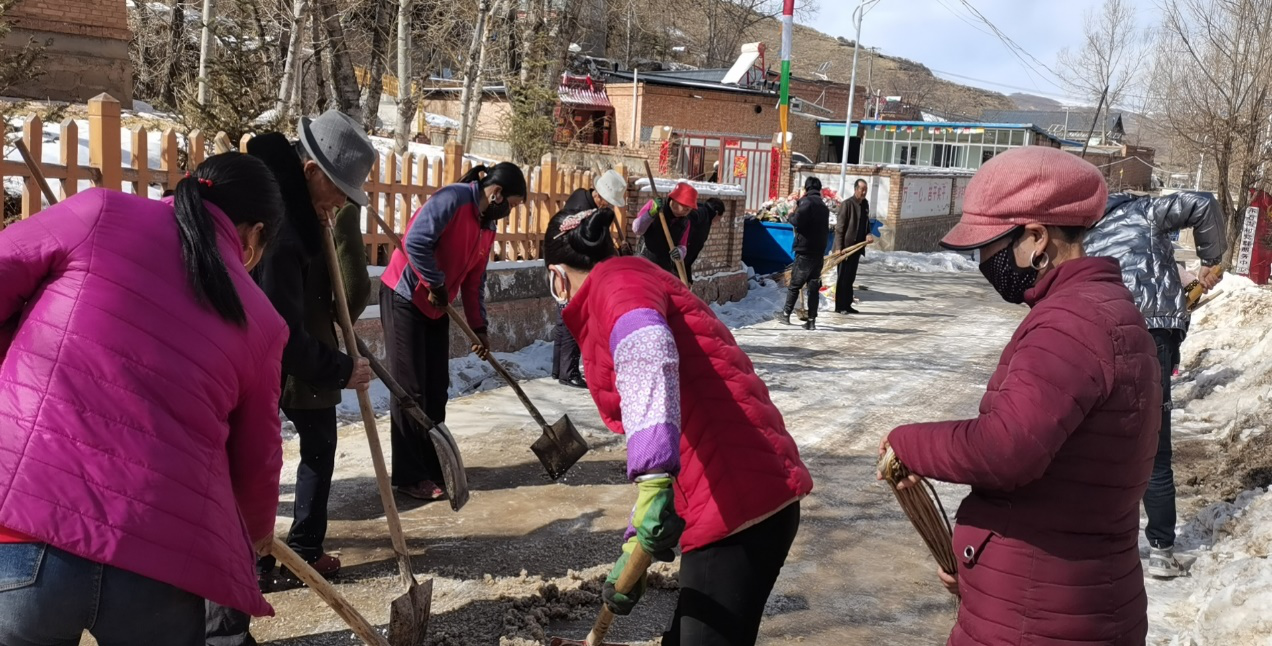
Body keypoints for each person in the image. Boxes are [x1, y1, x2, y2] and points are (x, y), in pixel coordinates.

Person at [0, 153, 288, 645]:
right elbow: (257, 458)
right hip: (160, 557)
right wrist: (256, 533)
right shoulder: (262, 319)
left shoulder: (98, 212)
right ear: (254, 234)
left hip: (28, 527)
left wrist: (16, 357)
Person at [880, 147, 1161, 645]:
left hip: (1039, 616)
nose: (982, 262)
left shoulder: (1070, 323)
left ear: (1035, 238)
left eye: (988, 246)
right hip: (1059, 597)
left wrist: (907, 442)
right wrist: (983, 569)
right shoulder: (1103, 308)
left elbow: (1006, 448)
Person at [544, 207, 812, 645]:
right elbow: (668, 417)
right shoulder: (629, 278)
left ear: (557, 278)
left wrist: (653, 485)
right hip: (736, 494)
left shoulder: (616, 285)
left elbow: (648, 349)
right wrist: (638, 539)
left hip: (736, 505)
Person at [246, 109, 376, 582]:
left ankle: (279, 553)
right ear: (310, 171)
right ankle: (260, 561)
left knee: (288, 450)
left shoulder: (298, 209)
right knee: (263, 458)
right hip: (263, 360)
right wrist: (341, 368)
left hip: (287, 351)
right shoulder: (282, 232)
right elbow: (279, 330)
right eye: (338, 190)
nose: (341, 202)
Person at [1084, 190, 1227, 578]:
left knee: (1100, 441)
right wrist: (1211, 260)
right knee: (1153, 445)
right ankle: (1162, 550)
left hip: (1098, 334)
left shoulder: (1078, 230)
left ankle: (1096, 543)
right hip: (1151, 335)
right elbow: (1202, 203)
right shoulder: (1142, 209)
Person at [380, 162, 527, 500]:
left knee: (436, 389)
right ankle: (409, 475)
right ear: (497, 193)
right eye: (511, 204)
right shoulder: (453, 199)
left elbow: (475, 280)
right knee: (410, 389)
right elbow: (415, 241)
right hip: (406, 296)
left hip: (437, 304)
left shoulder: (487, 227)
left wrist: (479, 327)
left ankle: (434, 464)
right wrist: (435, 282)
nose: (510, 211)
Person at [553, 169, 628, 388]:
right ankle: (568, 372)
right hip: (571, 269)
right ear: (600, 196)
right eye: (609, 202)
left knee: (564, 318)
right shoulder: (582, 211)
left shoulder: (584, 200)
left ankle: (559, 370)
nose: (610, 207)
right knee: (574, 317)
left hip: (565, 266)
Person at [781, 177, 830, 330]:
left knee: (795, 284)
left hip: (805, 251)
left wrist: (791, 214)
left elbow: (797, 221)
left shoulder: (806, 202)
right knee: (813, 287)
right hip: (819, 252)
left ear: (807, 188)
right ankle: (811, 321)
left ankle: (785, 314)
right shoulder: (824, 206)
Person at [634, 181, 697, 275]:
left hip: (663, 269)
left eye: (689, 209)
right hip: (644, 262)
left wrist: (679, 253)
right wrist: (651, 214)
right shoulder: (655, 206)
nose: (687, 211)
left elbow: (683, 246)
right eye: (685, 207)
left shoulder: (685, 222)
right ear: (675, 200)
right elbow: (637, 229)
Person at [834, 178, 873, 314]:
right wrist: (838, 247)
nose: (864, 192)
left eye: (866, 190)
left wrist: (868, 234)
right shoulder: (847, 204)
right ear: (856, 189)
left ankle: (847, 304)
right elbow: (840, 228)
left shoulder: (865, 204)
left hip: (857, 248)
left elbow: (866, 224)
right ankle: (839, 306)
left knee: (850, 277)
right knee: (843, 278)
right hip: (845, 248)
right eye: (862, 190)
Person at [684, 197, 727, 284]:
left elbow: (692, 252)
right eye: (719, 218)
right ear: (716, 213)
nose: (718, 221)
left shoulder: (707, 219)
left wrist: (688, 278)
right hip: (675, 259)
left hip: (684, 262)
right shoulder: (703, 212)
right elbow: (688, 217)